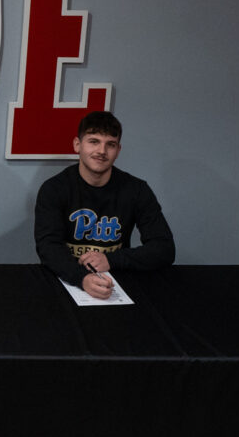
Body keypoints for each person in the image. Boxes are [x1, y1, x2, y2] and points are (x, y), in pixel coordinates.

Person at [34, 111, 174, 300]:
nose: (102, 151)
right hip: (67, 279)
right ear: (77, 145)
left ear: (118, 150)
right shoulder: (54, 189)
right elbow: (48, 247)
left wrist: (111, 259)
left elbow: (164, 248)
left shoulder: (137, 190)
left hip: (116, 280)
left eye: (110, 144)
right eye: (94, 141)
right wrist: (82, 278)